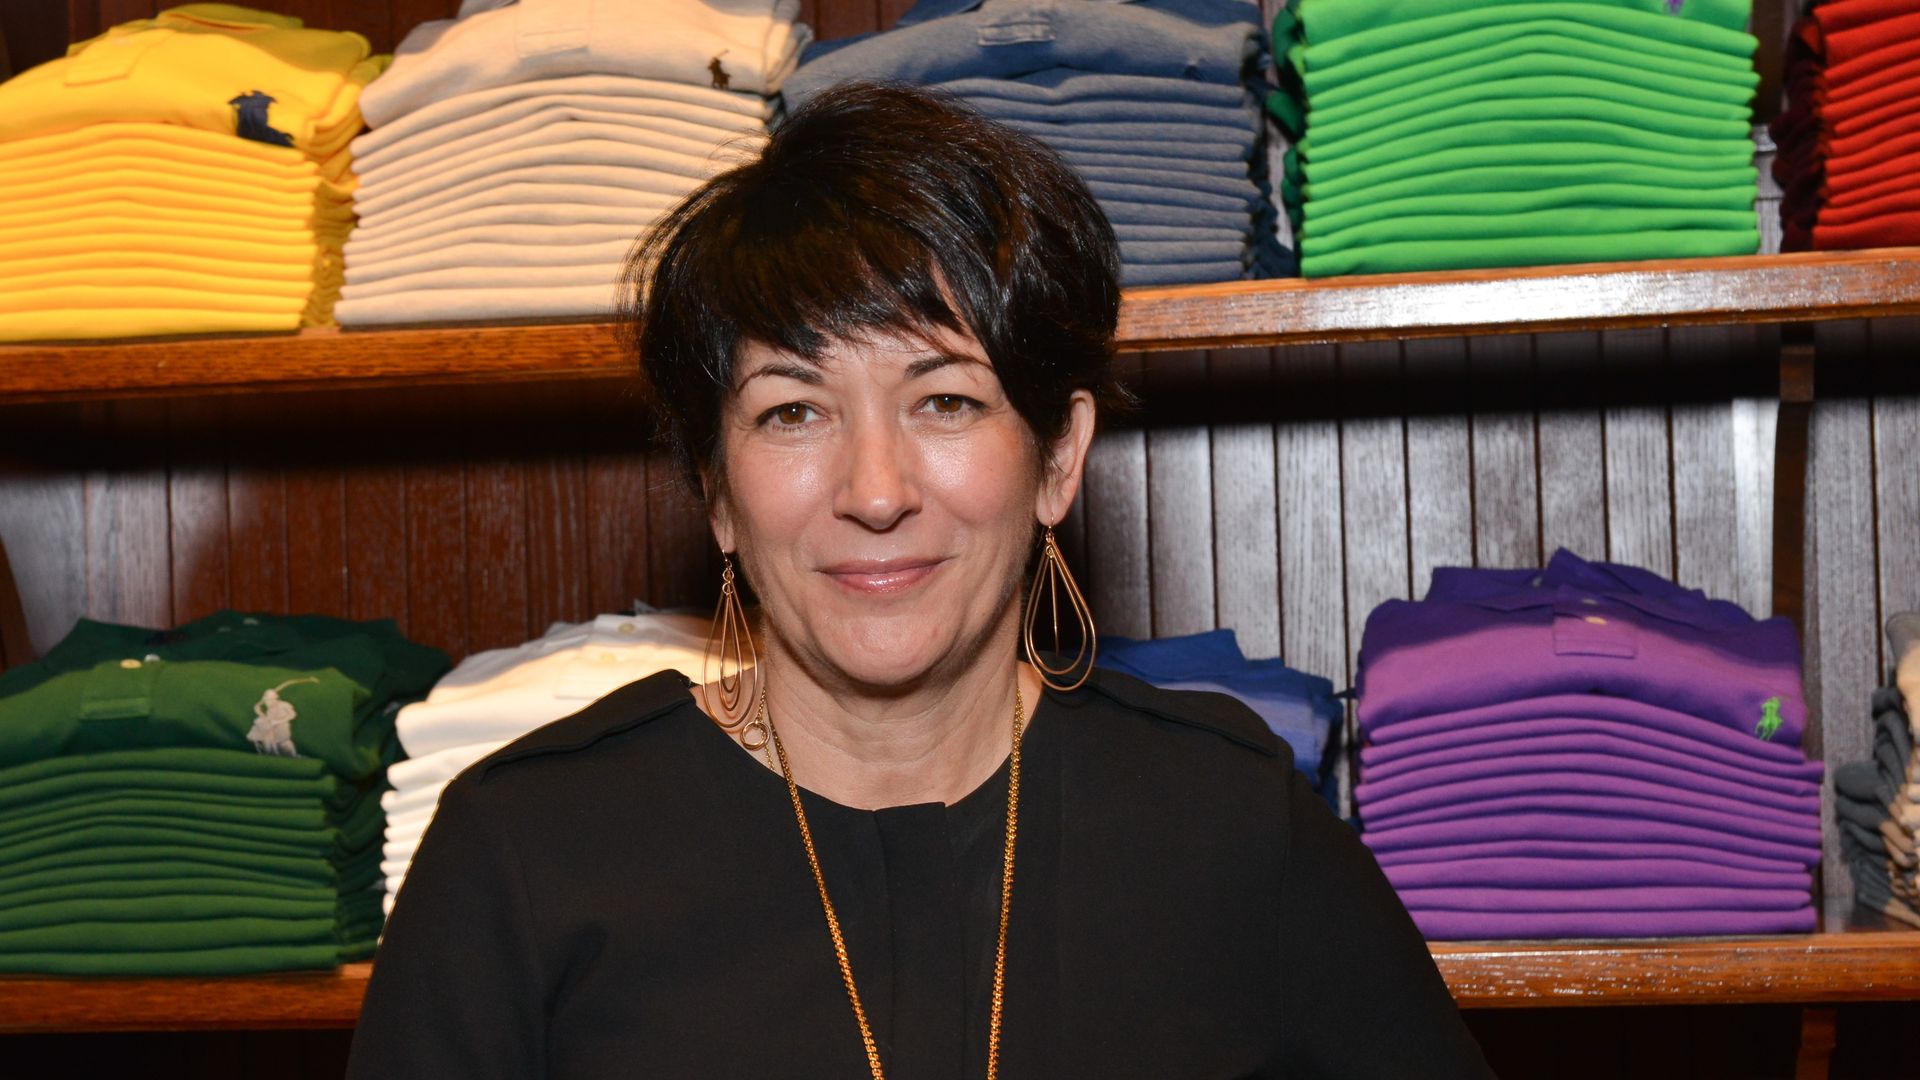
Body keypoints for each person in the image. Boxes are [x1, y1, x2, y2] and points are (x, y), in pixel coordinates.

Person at [346, 83, 1493, 1079]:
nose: (876, 489)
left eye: (945, 399)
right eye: (793, 411)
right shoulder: (525, 851)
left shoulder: (1235, 826)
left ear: (1056, 457)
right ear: (717, 492)